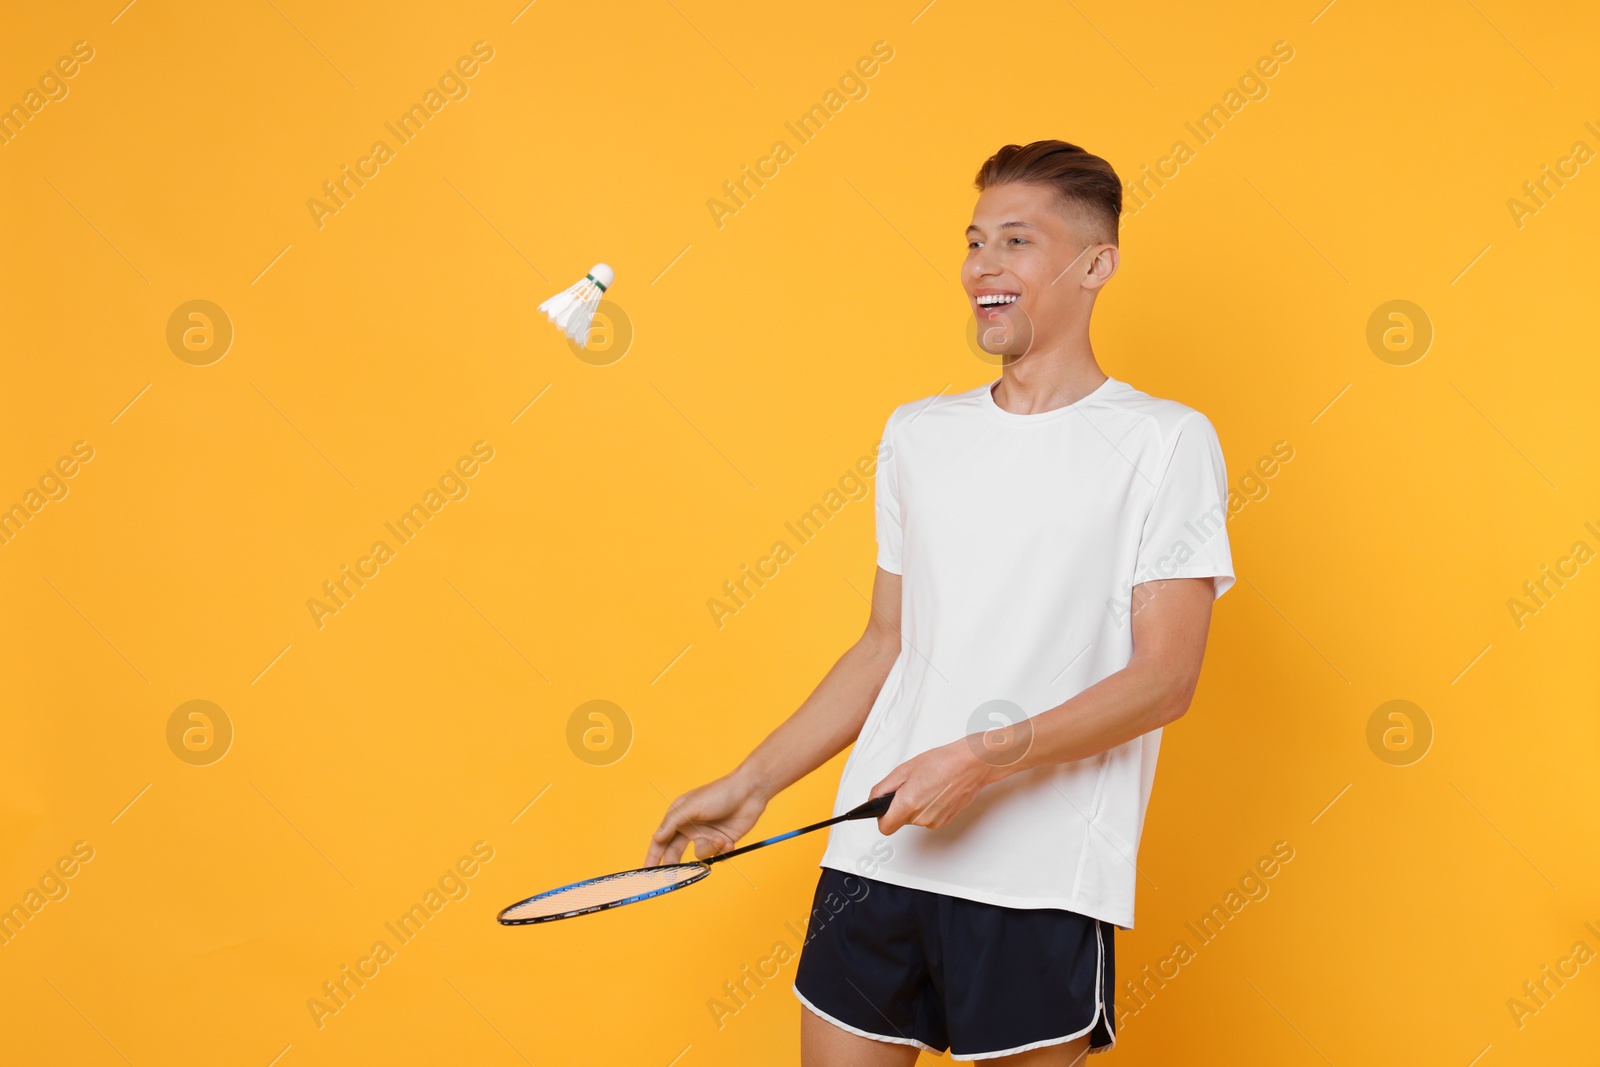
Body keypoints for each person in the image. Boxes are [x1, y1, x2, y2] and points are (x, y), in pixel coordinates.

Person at [646, 140, 1235, 1065]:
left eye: (1015, 240)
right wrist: (751, 784)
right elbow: (885, 643)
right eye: (973, 242)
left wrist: (980, 758)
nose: (983, 268)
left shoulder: (1167, 442)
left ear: (1096, 263)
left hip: (1038, 881)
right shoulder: (920, 434)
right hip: (875, 856)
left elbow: (1164, 680)